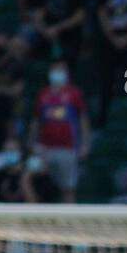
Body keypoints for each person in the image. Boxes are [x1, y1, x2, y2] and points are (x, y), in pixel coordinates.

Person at [29, 58, 89, 204]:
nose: (58, 73)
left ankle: (70, 221)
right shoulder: (42, 95)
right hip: (45, 148)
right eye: (55, 70)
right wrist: (31, 142)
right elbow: (36, 120)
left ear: (67, 73)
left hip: (68, 148)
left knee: (68, 188)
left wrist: (85, 144)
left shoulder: (74, 94)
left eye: (61, 70)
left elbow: (83, 120)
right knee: (41, 185)